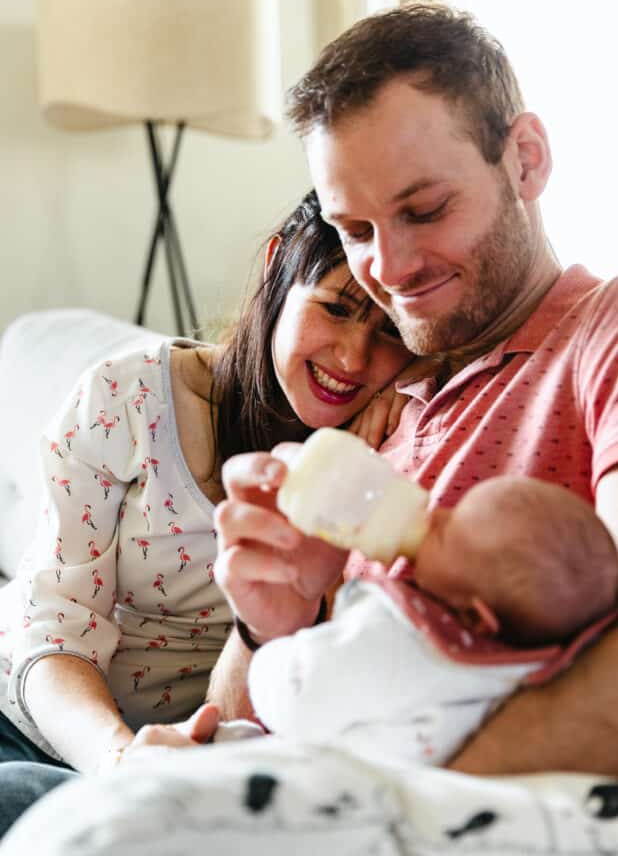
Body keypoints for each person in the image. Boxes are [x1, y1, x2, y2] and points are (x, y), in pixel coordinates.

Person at [211, 2, 618, 785]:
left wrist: (377, 830)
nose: (388, 270)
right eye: (355, 232)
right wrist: (270, 623)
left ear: (525, 159)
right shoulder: (391, 411)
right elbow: (247, 720)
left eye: (423, 211)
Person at [0, 191, 413, 835]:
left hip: (181, 764)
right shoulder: (126, 398)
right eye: (335, 309)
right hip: (46, 726)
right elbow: (54, 631)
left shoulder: (381, 443)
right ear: (278, 267)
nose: (354, 360)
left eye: (388, 331)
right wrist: (117, 765)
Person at [248, 474, 618, 766]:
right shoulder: (520, 671)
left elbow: (295, 696)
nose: (437, 513)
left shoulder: (398, 640)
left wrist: (269, 654)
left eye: (447, 529)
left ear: (474, 617)